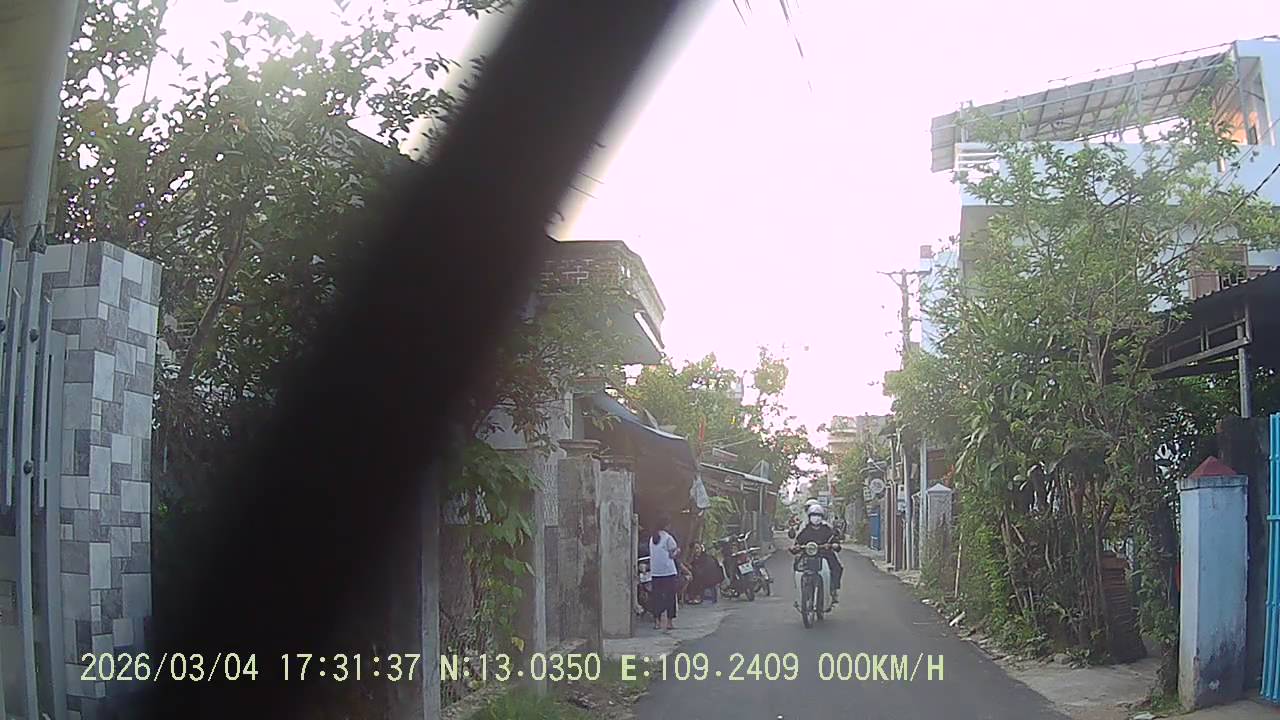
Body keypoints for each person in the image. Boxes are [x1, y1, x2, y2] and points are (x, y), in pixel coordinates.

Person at [793, 503, 843, 602]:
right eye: (813, 515)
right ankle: (800, 588)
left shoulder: (827, 529)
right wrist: (795, 548)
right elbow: (797, 543)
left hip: (825, 555)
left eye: (818, 515)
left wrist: (834, 545)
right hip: (808, 555)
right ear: (809, 517)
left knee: (837, 568)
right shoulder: (805, 530)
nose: (816, 518)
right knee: (796, 565)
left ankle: (833, 589)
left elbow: (836, 542)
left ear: (822, 517)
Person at [647, 515, 680, 630]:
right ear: (667, 525)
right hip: (668, 571)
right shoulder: (668, 538)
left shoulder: (652, 538)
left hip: (655, 572)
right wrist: (677, 552)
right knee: (670, 597)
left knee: (656, 597)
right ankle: (669, 623)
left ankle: (657, 622)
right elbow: (672, 555)